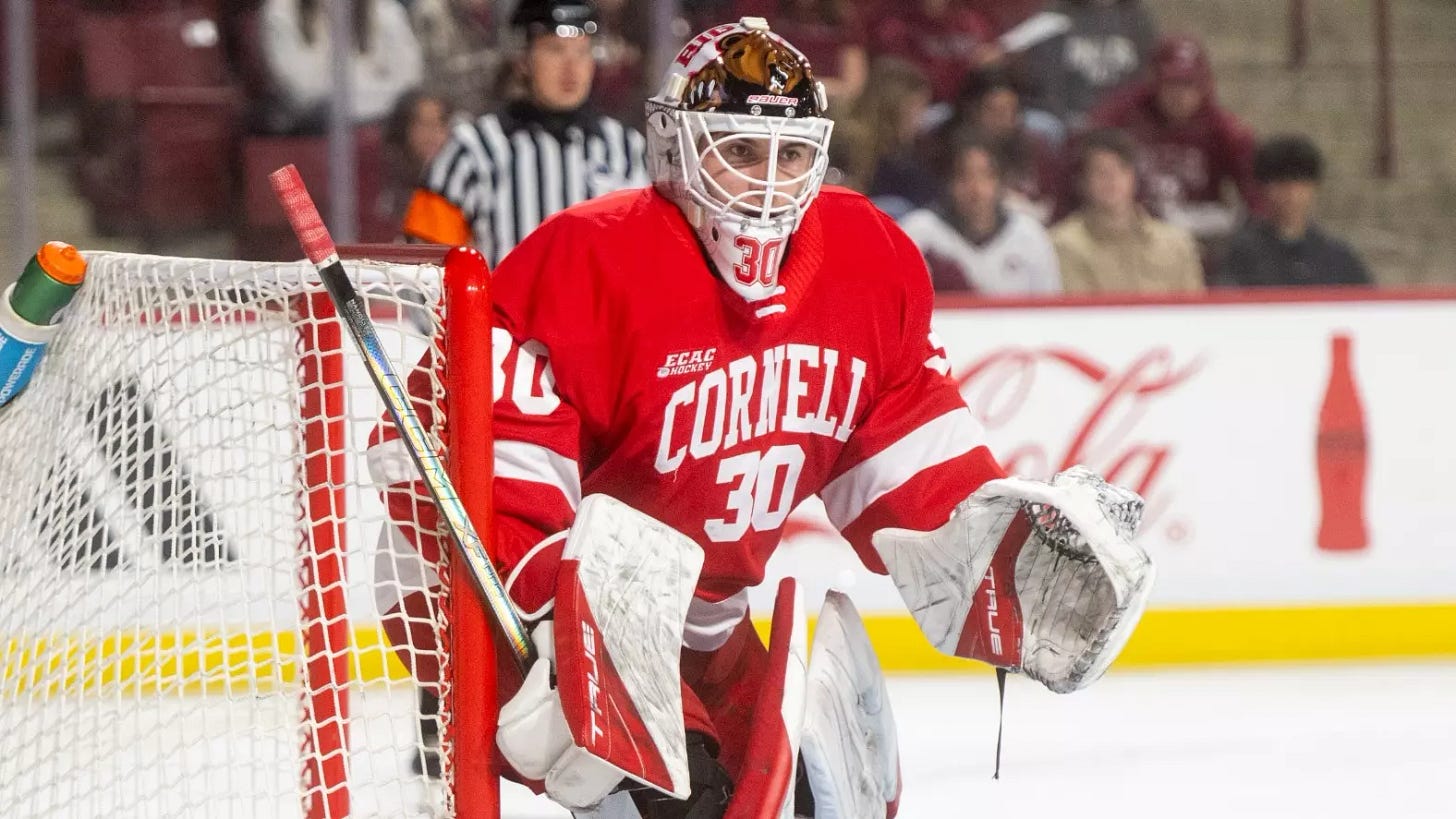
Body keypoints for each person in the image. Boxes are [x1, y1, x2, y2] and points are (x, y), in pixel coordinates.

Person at [371, 17, 1151, 817]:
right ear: (675, 151)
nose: (768, 184)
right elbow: (449, 468)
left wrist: (996, 550)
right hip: (489, 582)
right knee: (674, 800)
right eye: (739, 150)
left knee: (806, 799)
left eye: (791, 156)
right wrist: (558, 628)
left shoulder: (863, 262)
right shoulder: (591, 261)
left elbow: (905, 445)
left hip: (701, 620)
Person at [400, 0, 648, 264]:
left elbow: (649, 256)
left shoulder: (627, 148)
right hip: (504, 292)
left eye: (582, 51)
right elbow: (425, 266)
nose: (571, 67)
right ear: (522, 60)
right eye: (555, 49)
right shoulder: (471, 151)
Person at [1085, 34, 1263, 241]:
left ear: (1205, 86)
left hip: (1196, 233)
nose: (1180, 95)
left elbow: (1257, 196)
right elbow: (1086, 153)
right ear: (1155, 82)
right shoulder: (1123, 115)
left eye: (1189, 84)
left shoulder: (1224, 131)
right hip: (1128, 228)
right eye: (1172, 84)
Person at [900, 136, 1062, 293]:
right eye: (964, 176)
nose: (975, 189)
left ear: (1000, 181)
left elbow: (1050, 306)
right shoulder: (918, 232)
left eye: (985, 176)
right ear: (949, 181)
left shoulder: (1029, 234)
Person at [1051, 128, 1204, 293]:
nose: (1112, 178)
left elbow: (1195, 304)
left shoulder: (1176, 244)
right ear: (1083, 181)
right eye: (1100, 171)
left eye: (1121, 168)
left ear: (1133, 176)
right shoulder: (1063, 245)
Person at [1215, 135, 1373, 288]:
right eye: (1282, 185)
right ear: (1264, 189)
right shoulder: (1242, 255)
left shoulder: (1338, 257)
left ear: (1314, 188)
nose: (1292, 195)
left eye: (1301, 185)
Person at [255, 0, 424, 134]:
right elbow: (305, 94)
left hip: (382, 127)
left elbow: (410, 83)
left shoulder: (386, 10)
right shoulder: (280, 11)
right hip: (307, 133)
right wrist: (373, 81)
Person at [1022, 0, 1159, 131]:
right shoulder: (1055, 15)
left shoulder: (1136, 17)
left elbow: (1144, 78)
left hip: (1121, 118)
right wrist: (1064, 116)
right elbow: (1047, 82)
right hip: (1068, 116)